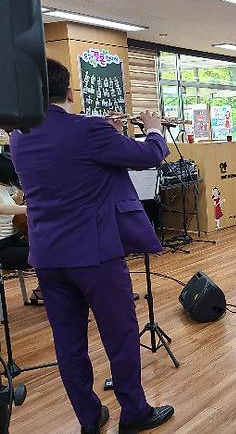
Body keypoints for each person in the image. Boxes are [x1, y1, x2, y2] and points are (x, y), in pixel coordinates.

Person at [10, 59, 174, 433]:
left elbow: (70, 167)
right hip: (94, 254)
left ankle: (89, 417)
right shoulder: (88, 130)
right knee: (120, 334)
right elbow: (148, 155)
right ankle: (134, 414)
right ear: (69, 92)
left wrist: (108, 133)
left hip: (48, 257)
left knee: (68, 345)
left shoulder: (19, 136)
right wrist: (153, 130)